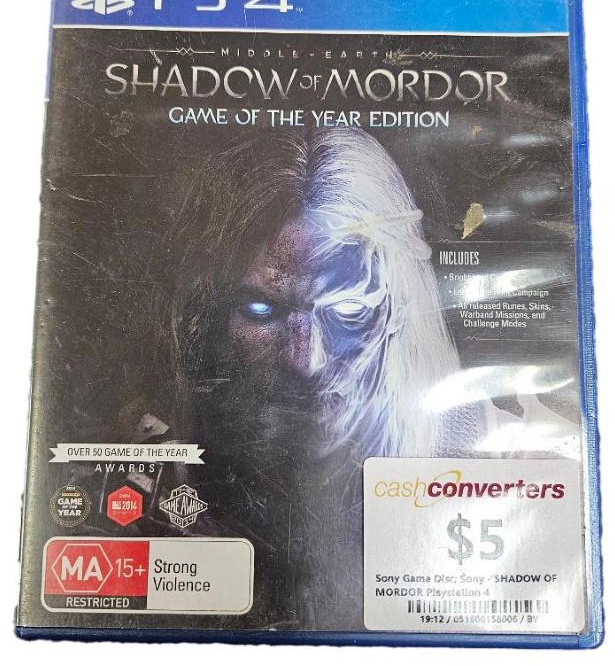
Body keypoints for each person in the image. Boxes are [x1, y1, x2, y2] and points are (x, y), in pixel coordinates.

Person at [150, 126, 486, 629]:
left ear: (401, 305)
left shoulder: (508, 463)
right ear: (209, 314)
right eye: (261, 310)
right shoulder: (152, 479)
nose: (305, 361)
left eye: (348, 309)